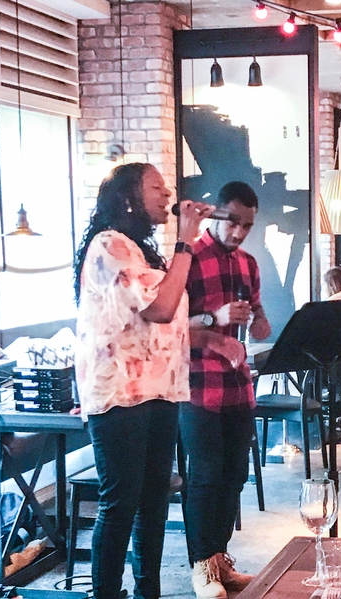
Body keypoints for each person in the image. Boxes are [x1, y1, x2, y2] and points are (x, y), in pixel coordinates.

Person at [73, 163, 211, 599]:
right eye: (156, 187)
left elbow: (169, 316)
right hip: (120, 393)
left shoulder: (142, 251)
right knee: (121, 503)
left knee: (153, 501)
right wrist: (186, 241)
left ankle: (147, 591)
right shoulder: (109, 245)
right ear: (128, 198)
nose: (167, 193)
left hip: (160, 389)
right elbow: (161, 309)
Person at [182, 181, 272, 599]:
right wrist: (213, 318)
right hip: (197, 386)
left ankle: (218, 558)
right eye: (233, 222)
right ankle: (201, 566)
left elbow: (257, 309)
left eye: (247, 225)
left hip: (238, 385)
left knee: (234, 475)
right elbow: (168, 328)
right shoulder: (187, 259)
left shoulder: (248, 263)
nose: (239, 232)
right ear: (216, 214)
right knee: (204, 477)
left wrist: (260, 322)